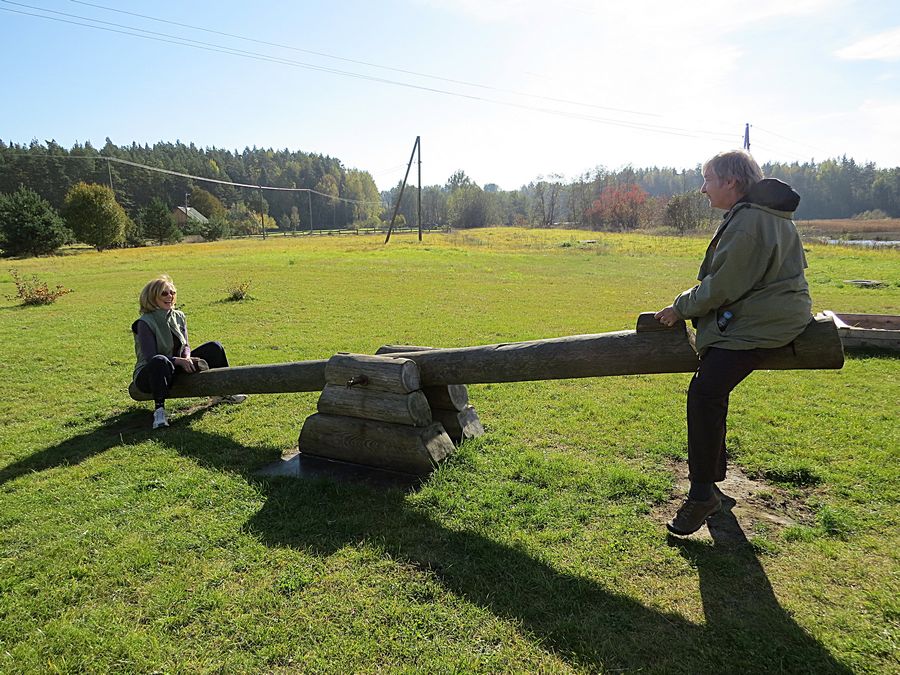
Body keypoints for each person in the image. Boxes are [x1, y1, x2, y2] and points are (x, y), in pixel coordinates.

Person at [655, 150, 812, 536]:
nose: (702, 189)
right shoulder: (756, 216)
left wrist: (680, 307)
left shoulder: (750, 222)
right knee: (712, 391)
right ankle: (713, 485)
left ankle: (702, 494)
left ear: (731, 181)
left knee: (705, 393)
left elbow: (723, 286)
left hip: (761, 324)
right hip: (767, 317)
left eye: (708, 179)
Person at [131, 274, 246, 429]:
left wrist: (187, 357)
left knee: (215, 347)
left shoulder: (179, 315)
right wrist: (179, 361)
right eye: (164, 293)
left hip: (176, 367)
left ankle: (224, 393)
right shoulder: (144, 322)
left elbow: (186, 344)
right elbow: (151, 356)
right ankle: (159, 411)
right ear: (152, 297)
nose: (170, 296)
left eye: (172, 292)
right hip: (151, 374)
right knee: (160, 360)